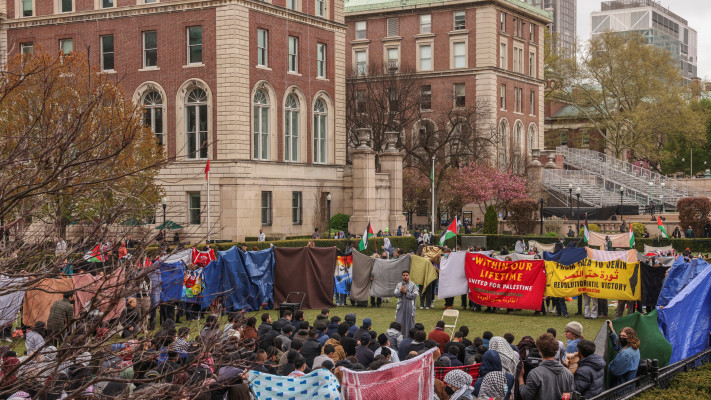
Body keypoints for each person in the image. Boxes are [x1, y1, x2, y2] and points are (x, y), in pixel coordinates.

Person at [518, 333, 574, 400]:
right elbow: (569, 396)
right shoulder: (568, 373)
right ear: (556, 350)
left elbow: (526, 396)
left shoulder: (535, 374)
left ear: (540, 351)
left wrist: (520, 378)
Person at [607, 321, 640, 387]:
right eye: (620, 336)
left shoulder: (625, 354)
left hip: (621, 388)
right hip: (629, 385)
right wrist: (612, 331)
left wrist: (608, 365)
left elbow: (614, 370)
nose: (622, 338)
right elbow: (619, 347)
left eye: (624, 336)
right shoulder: (633, 347)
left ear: (630, 337)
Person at [393, 271, 418, 336]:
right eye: (404, 275)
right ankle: (399, 336)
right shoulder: (399, 285)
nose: (405, 277)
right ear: (402, 276)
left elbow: (415, 295)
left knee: (409, 322)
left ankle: (409, 337)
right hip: (401, 306)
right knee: (399, 321)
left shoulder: (413, 285)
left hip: (410, 307)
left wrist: (406, 292)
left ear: (409, 276)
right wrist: (400, 291)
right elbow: (395, 294)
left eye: (406, 275)